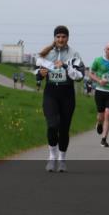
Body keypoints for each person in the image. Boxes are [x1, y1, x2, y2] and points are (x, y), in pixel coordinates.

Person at [35, 26, 82, 173]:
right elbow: (35, 70)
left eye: (63, 36)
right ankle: (52, 156)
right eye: (58, 37)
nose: (61, 39)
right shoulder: (47, 53)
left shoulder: (74, 54)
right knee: (52, 125)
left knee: (64, 128)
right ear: (54, 38)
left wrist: (66, 66)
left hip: (67, 94)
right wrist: (40, 73)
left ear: (68, 38)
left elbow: (80, 76)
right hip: (51, 92)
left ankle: (62, 159)